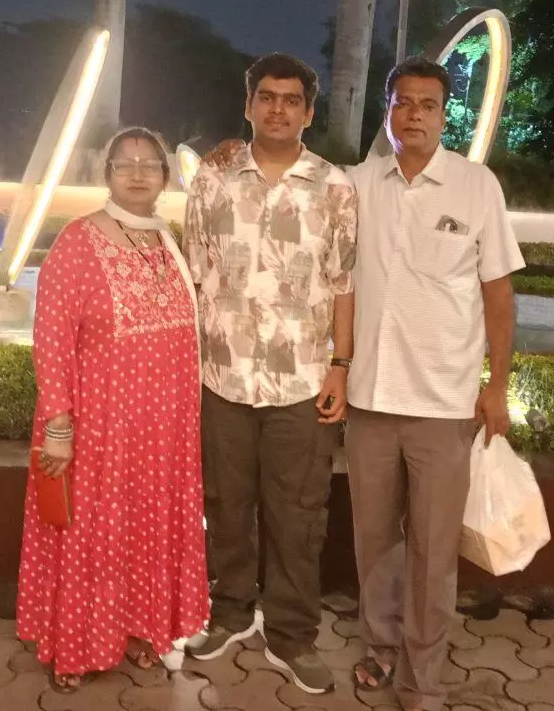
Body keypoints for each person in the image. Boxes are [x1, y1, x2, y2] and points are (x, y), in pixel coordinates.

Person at [346, 58, 524, 711]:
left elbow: (498, 296)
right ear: (387, 110)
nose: (414, 114)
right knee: (374, 541)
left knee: (433, 549)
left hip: (445, 406)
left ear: (446, 116)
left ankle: (421, 676)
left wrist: (496, 386)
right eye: (403, 102)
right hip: (368, 399)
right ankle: (380, 646)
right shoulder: (357, 184)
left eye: (428, 104)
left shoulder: (476, 187)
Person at [181, 52, 358, 696]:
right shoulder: (213, 178)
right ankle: (230, 611)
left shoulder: (334, 187)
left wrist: (340, 366)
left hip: (302, 381)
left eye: (291, 100)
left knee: (298, 512)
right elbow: (193, 274)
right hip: (221, 375)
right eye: (267, 97)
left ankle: (291, 632)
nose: (278, 109)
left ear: (308, 113)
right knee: (226, 503)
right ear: (249, 105)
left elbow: (343, 284)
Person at [17, 126, 209, 691]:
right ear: (107, 174)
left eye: (150, 163)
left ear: (165, 177)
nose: (138, 173)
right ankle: (74, 647)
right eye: (125, 163)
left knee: (146, 535)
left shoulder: (166, 242)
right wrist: (58, 425)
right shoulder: (77, 242)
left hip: (161, 435)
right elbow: (51, 337)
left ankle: (143, 628)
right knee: (91, 538)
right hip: (99, 431)